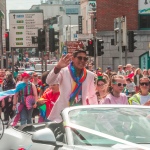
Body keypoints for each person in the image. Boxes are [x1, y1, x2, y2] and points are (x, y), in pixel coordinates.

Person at [46, 50, 98, 122]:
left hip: (80, 114)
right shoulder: (63, 71)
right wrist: (58, 67)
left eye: (85, 59)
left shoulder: (90, 75)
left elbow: (92, 95)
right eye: (80, 58)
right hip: (63, 114)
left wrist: (95, 112)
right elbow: (49, 81)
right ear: (73, 59)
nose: (82, 60)